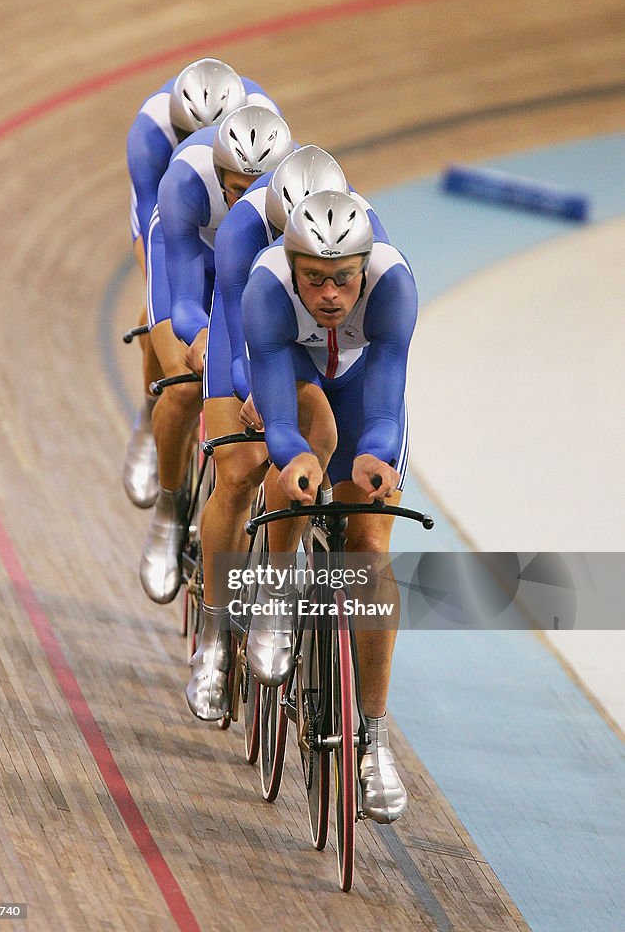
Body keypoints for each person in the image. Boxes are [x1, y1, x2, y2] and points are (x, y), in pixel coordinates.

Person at [186, 146, 390, 721]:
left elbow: (381, 356)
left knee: (365, 524)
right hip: (259, 341)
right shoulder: (245, 237)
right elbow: (238, 331)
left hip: (334, 354)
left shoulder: (373, 250)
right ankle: (215, 637)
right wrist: (253, 392)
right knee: (240, 468)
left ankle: (371, 732)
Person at [241, 190, 417, 823]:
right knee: (297, 473)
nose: (332, 295)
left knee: (369, 548)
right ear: (291, 267)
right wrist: (292, 458)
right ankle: (278, 597)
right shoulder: (264, 287)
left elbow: (388, 393)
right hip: (299, 381)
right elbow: (279, 414)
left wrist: (374, 452)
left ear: (364, 267)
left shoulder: (393, 283)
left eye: (344, 278)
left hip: (364, 389)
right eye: (314, 279)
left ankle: (374, 739)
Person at [140, 105, 293, 605]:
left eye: (258, 181)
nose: (247, 194)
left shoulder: (290, 197)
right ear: (218, 172)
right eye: (236, 184)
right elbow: (185, 298)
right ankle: (169, 508)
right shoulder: (185, 180)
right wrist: (200, 334)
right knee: (185, 384)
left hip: (248, 269)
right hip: (190, 260)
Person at [123, 58, 279, 509]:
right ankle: (154, 431)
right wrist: (164, 319)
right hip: (176, 233)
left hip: (240, 248)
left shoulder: (263, 128)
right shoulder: (153, 135)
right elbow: (157, 240)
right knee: (184, 379)